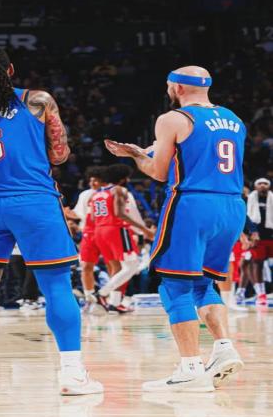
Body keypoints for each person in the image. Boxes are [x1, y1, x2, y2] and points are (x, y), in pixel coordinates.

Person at [0, 46, 103, 396]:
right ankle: (72, 374)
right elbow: (59, 154)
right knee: (56, 286)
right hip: (33, 202)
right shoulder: (37, 101)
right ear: (10, 70)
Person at [106, 66, 246, 392]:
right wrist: (144, 150)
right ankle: (224, 349)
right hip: (231, 205)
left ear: (178, 87)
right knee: (204, 283)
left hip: (193, 204)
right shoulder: (234, 119)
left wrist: (136, 157)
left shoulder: (173, 118)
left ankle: (190, 370)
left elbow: (158, 172)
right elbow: (202, 154)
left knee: (174, 287)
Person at [92, 164, 154, 312]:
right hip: (116, 230)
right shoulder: (119, 190)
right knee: (132, 265)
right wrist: (144, 229)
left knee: (118, 268)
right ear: (122, 179)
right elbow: (120, 213)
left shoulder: (97, 194)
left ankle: (114, 303)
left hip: (99, 231)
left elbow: (94, 217)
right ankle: (102, 293)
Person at [64, 167, 105, 309]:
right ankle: (89, 297)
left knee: (114, 265)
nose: (92, 183)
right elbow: (78, 213)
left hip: (105, 232)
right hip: (88, 233)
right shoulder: (85, 194)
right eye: (91, 180)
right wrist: (67, 213)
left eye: (96, 180)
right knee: (86, 266)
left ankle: (113, 296)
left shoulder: (112, 193)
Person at [247, 178, 273, 306]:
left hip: (271, 235)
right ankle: (261, 293)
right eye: (260, 183)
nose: (263, 185)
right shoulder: (250, 198)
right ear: (256, 186)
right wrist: (250, 234)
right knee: (257, 264)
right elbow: (246, 217)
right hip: (257, 237)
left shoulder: (272, 198)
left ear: (269, 186)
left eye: (265, 184)